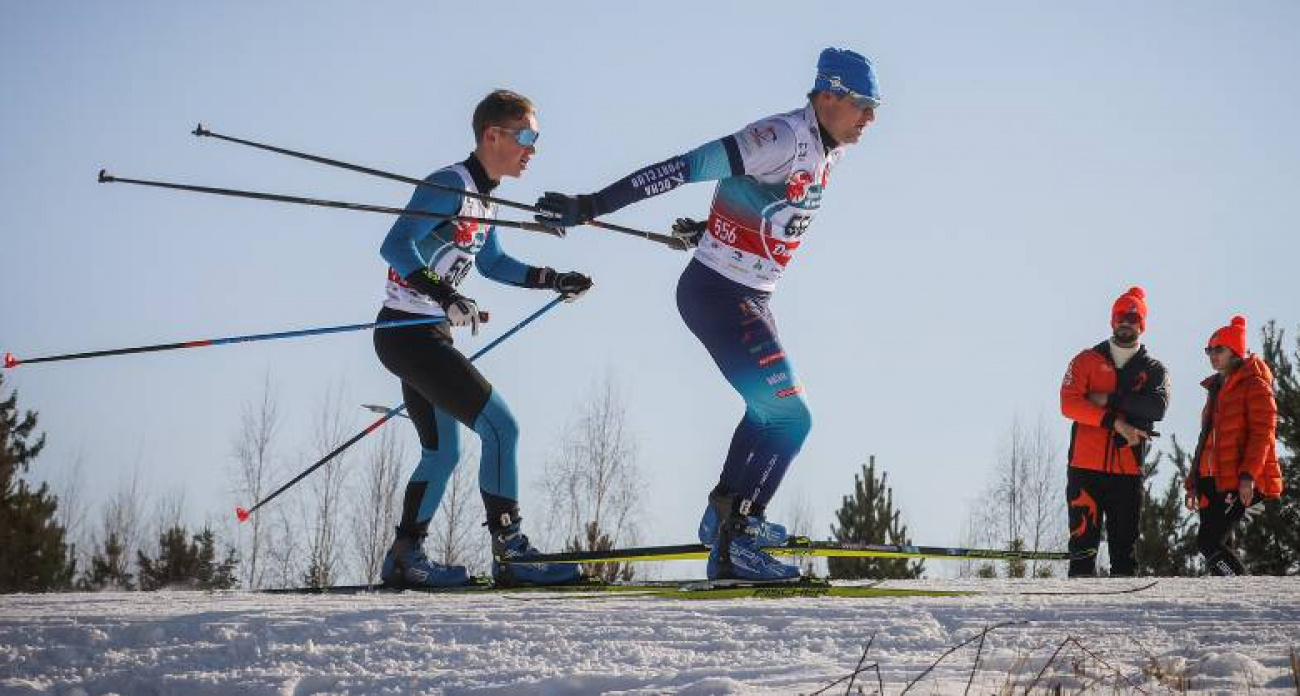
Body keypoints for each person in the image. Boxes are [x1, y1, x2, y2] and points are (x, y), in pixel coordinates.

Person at [532, 48, 881, 583]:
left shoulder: (826, 149)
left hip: (750, 295)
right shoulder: (782, 137)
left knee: (768, 412)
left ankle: (726, 519)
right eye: (862, 104)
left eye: (875, 107)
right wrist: (591, 205)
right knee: (791, 417)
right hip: (721, 293)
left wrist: (712, 225)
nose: (870, 118)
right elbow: (682, 168)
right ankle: (738, 535)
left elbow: (758, 204)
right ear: (827, 95)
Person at [375, 89, 592, 588]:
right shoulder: (448, 184)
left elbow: (491, 263)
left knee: (442, 454)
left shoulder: (484, 197)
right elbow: (395, 244)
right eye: (526, 136)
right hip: (408, 333)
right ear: (492, 135)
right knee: (502, 428)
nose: (532, 149)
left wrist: (552, 278)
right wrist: (445, 294)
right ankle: (512, 551)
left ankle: (405, 556)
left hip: (426, 334)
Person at [1059, 286, 1169, 577]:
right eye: (1121, 315)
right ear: (1112, 319)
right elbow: (1069, 404)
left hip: (1127, 471)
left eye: (1133, 317)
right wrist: (1114, 421)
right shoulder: (1085, 360)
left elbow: (1156, 408)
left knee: (1124, 553)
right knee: (1083, 549)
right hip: (1085, 469)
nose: (1126, 321)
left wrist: (1108, 400)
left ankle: (1125, 619)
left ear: (1142, 323)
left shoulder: (1154, 369)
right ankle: (1074, 615)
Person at [1185, 315, 1282, 576]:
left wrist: (1248, 476)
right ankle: (1227, 598)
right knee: (1221, 543)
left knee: (1208, 542)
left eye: (1219, 349)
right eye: (1209, 350)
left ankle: (1241, 589)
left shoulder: (1255, 385)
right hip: (1210, 479)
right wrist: (1193, 481)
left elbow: (1263, 435)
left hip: (1238, 479)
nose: (1212, 355)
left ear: (1235, 351)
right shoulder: (1216, 387)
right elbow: (1205, 438)